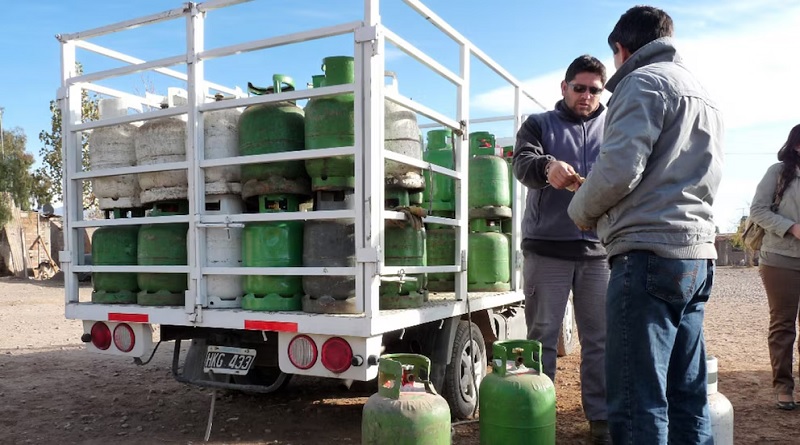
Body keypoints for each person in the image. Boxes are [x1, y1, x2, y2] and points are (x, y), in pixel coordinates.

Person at [567, 6, 724, 444]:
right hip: (695, 257)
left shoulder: (641, 82)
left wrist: (580, 209)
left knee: (638, 399)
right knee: (688, 394)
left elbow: (620, 170)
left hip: (648, 255)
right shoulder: (702, 93)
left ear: (621, 49)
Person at [512, 54, 610, 444]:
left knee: (600, 340)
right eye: (579, 88)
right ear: (564, 87)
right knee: (542, 338)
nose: (586, 96)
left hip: (599, 251)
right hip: (546, 249)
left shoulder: (615, 126)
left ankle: (601, 420)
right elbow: (522, 163)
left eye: (594, 90)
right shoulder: (539, 124)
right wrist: (547, 167)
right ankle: (539, 415)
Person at [749, 124, 800, 411]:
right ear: (796, 146)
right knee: (783, 325)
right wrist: (791, 227)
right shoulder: (777, 172)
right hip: (780, 259)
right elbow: (758, 210)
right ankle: (783, 386)